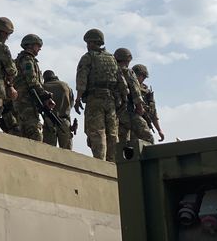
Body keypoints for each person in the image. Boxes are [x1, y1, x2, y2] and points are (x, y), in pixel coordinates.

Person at [73, 29, 125, 161]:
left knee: (97, 132)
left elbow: (82, 79)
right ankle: (113, 164)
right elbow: (121, 82)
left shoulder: (88, 57)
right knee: (112, 134)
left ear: (91, 42)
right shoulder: (112, 58)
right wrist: (123, 99)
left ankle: (100, 163)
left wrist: (78, 98)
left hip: (94, 99)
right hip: (111, 100)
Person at [14, 34, 55, 141]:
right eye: (37, 45)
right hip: (26, 100)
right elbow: (31, 81)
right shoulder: (27, 59)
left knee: (24, 131)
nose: (39, 48)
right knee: (34, 132)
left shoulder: (25, 59)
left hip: (25, 100)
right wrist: (46, 95)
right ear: (30, 45)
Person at [113, 48, 155, 145]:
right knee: (148, 137)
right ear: (127, 59)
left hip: (113, 113)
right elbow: (135, 91)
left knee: (121, 143)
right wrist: (140, 108)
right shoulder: (127, 72)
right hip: (127, 111)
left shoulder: (109, 71)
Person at [41, 70, 75, 150]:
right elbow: (71, 103)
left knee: (48, 151)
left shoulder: (43, 87)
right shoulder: (65, 86)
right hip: (64, 122)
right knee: (67, 152)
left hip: (49, 121)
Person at [133, 63, 165, 142]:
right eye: (141, 76)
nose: (143, 78)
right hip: (131, 123)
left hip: (144, 124)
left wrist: (159, 130)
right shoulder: (129, 88)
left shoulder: (147, 92)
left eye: (144, 76)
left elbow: (153, 113)